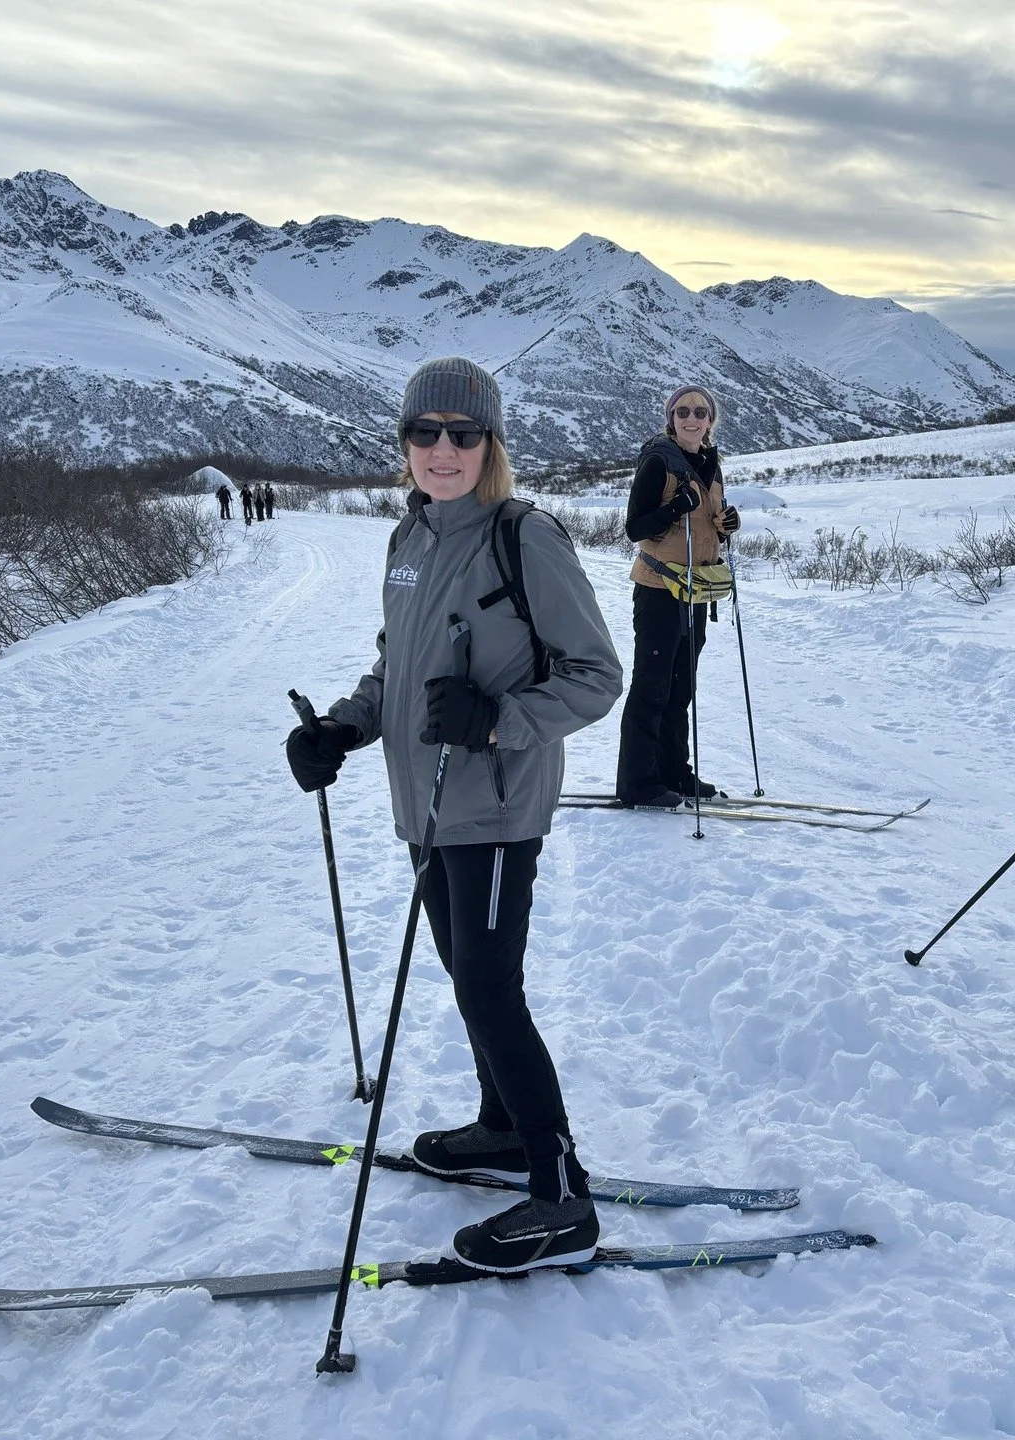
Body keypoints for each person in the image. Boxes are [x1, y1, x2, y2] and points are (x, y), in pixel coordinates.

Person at [284, 356, 623, 1272]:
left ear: (490, 446)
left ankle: (562, 1198)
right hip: (424, 808)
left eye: (463, 434)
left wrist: (502, 720)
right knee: (466, 973)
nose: (442, 449)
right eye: (424, 432)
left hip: (499, 810)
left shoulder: (525, 539)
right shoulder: (409, 542)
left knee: (487, 987)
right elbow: (397, 667)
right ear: (404, 445)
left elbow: (598, 678)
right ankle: (506, 1127)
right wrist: (342, 729)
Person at [614, 385, 740, 808]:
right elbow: (635, 528)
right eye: (683, 411)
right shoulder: (657, 461)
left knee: (680, 687)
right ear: (671, 418)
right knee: (651, 687)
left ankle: (674, 773)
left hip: (697, 589)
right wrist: (674, 508)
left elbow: (704, 522)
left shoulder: (710, 463)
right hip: (658, 589)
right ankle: (638, 782)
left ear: (710, 419)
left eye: (700, 411)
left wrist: (725, 525)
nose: (692, 418)